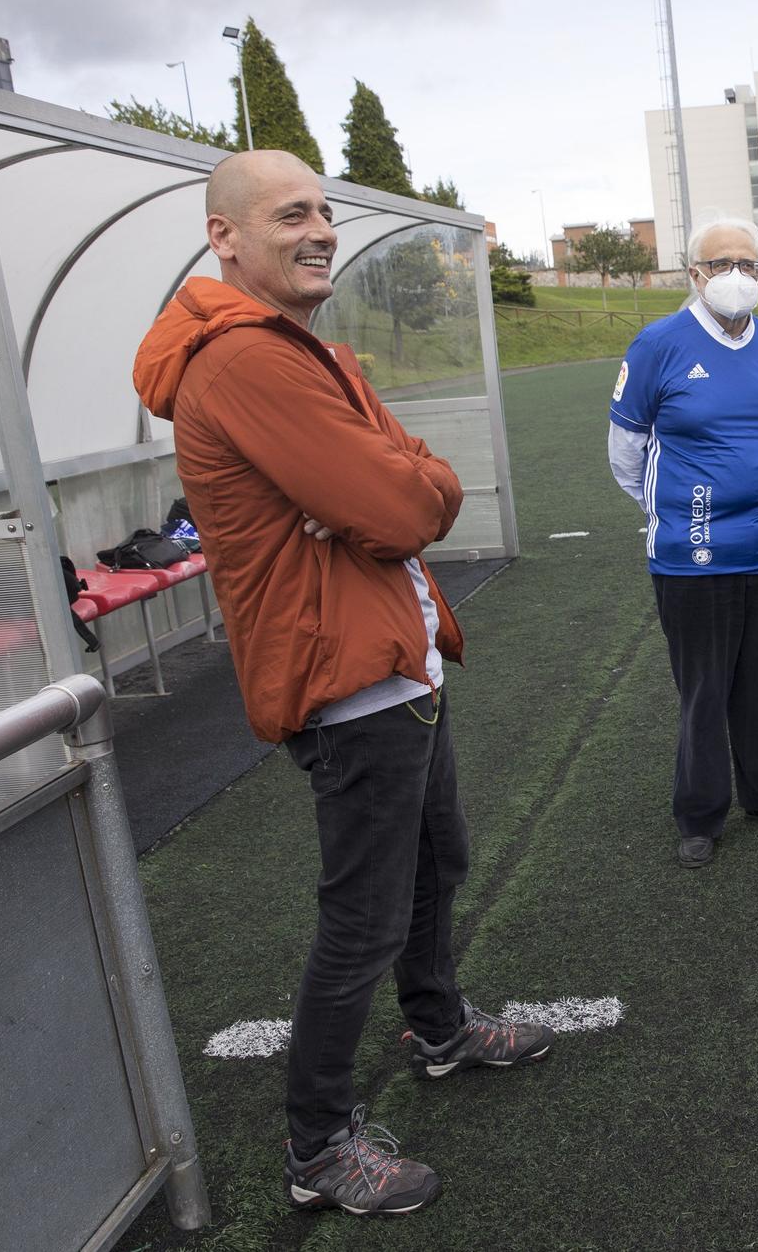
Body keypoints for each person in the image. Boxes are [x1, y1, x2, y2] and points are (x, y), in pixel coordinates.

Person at [134, 150, 553, 1218]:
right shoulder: (244, 362)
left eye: (324, 210)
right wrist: (391, 487)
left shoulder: (300, 348)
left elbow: (420, 478)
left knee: (435, 862)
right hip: (346, 679)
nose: (320, 228)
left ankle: (440, 1028)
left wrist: (389, 482)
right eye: (291, 214)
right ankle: (318, 1147)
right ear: (224, 237)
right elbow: (410, 509)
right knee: (360, 917)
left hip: (392, 659)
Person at [608, 216, 758, 868]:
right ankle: (700, 812)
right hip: (693, 555)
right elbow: (626, 452)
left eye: (750, 263)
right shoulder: (659, 344)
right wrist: (676, 513)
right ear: (694, 273)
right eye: (722, 262)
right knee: (704, 687)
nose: (737, 275)